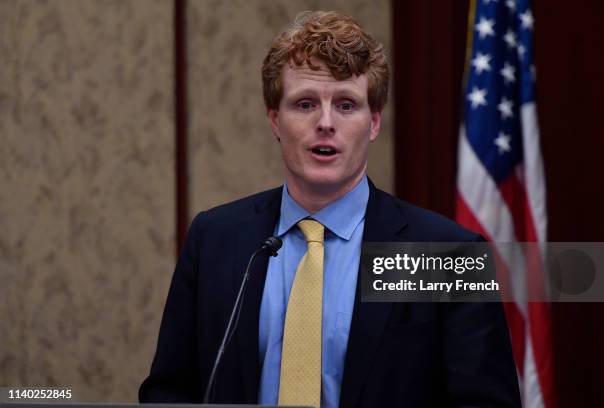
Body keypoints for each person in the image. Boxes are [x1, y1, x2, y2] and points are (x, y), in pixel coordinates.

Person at [139, 11, 520, 408]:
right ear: (274, 120)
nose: (325, 123)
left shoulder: (444, 254)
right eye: (304, 104)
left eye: (345, 105)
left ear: (373, 123)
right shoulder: (216, 239)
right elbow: (169, 391)